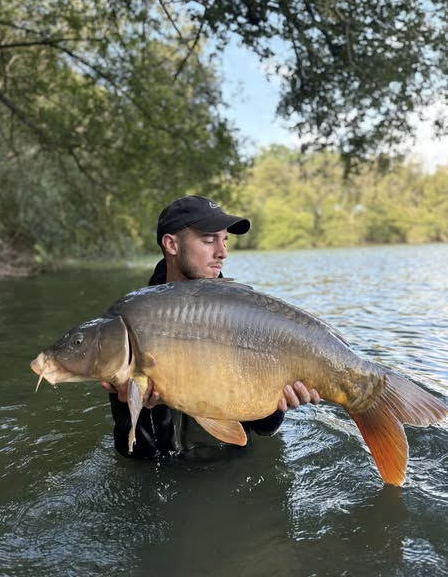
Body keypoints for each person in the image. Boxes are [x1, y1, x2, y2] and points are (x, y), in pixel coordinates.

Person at [103, 195, 320, 459]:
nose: (223, 253)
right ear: (171, 244)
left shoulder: (245, 315)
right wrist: (140, 406)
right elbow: (136, 454)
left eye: (225, 241)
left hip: (234, 463)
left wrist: (280, 404)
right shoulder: (132, 323)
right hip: (169, 470)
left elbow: (263, 429)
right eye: (209, 240)